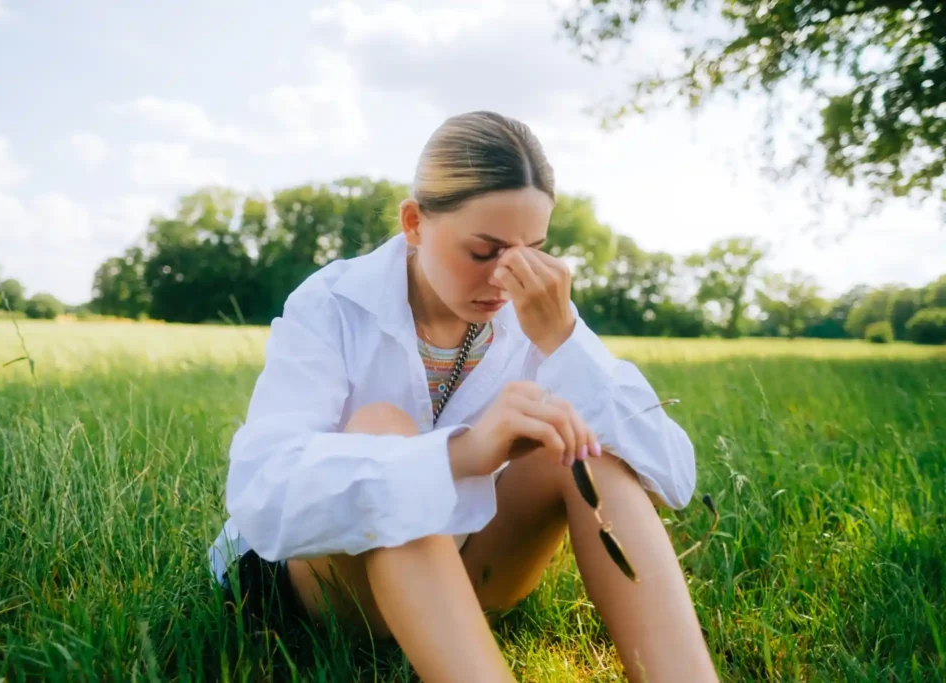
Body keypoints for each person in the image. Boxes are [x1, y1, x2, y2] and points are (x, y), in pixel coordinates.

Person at [210, 110, 719, 682]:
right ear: (414, 223)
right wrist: (461, 454)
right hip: (310, 588)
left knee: (585, 439)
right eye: (484, 251)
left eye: (532, 253)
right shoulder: (333, 302)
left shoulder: (539, 314)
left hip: (457, 571)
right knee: (382, 427)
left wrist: (564, 340)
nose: (507, 279)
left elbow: (671, 476)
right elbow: (261, 491)